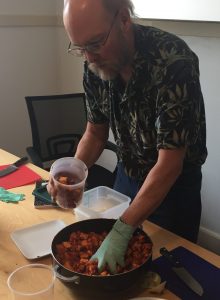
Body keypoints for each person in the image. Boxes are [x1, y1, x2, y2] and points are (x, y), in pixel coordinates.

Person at [48, 0, 207, 274]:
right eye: (80, 48)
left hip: (173, 189)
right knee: (119, 271)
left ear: (123, 19)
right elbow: (95, 132)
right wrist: (72, 172)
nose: (89, 58)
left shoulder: (174, 62)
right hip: (126, 176)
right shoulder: (94, 65)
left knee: (167, 272)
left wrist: (123, 228)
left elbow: (170, 164)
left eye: (95, 44)